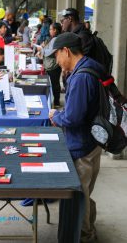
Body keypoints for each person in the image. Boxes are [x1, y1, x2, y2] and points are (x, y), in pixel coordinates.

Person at [48, 32, 103, 243]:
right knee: (85, 192)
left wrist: (57, 116)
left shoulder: (81, 77)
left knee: (80, 197)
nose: (57, 61)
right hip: (93, 142)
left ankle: (85, 236)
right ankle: (88, 230)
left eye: (57, 55)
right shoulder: (91, 66)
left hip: (82, 145)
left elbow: (73, 117)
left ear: (66, 51)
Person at [37, 22, 62, 107]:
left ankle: (56, 102)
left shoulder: (56, 39)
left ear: (55, 30)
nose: (49, 31)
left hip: (53, 66)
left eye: (51, 29)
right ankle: (55, 101)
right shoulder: (53, 39)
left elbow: (49, 53)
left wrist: (42, 49)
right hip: (51, 65)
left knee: (55, 84)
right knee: (54, 84)